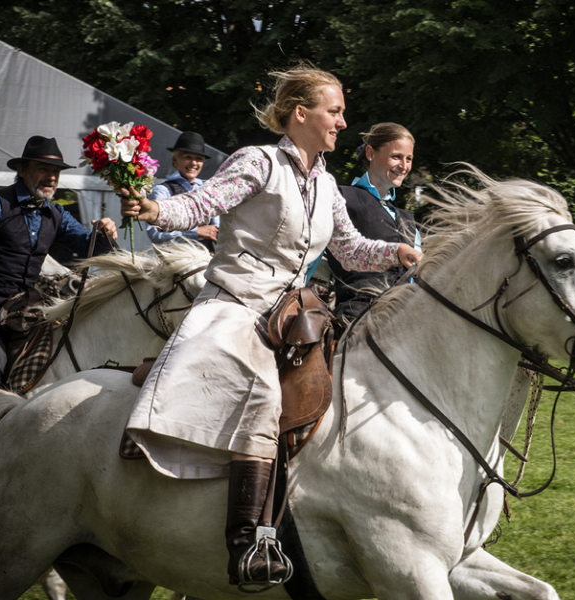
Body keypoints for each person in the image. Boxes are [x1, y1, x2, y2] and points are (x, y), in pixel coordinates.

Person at [118, 63, 423, 586]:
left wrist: (397, 249)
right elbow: (202, 203)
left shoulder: (326, 183)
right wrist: (155, 208)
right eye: (335, 111)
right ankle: (247, 542)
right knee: (262, 398)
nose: (343, 123)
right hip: (234, 305)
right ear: (300, 114)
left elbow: (349, 248)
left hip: (293, 314)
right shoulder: (257, 161)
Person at [0, 135, 118, 388]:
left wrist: (105, 233)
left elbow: (88, 245)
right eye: (44, 169)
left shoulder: (56, 213)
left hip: (24, 308)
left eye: (56, 171)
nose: (51, 177)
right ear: (22, 170)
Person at [327, 123, 420, 322]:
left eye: (409, 159)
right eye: (396, 156)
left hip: (406, 320)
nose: (403, 166)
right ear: (370, 153)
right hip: (357, 319)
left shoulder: (408, 219)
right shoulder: (341, 198)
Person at [145, 131, 219, 253]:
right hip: (177, 263)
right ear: (175, 160)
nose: (194, 163)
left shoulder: (208, 189)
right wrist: (196, 232)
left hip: (208, 259)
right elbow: (155, 234)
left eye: (199, 159)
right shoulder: (163, 191)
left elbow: (218, 226)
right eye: (188, 157)